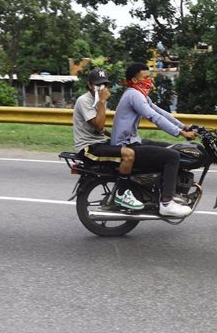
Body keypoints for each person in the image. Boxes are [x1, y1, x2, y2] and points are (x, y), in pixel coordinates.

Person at [111, 62, 197, 217]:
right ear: (135, 80)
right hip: (126, 145)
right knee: (172, 157)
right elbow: (153, 117)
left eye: (149, 76)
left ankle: (159, 188)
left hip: (133, 141)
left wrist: (183, 127)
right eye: (146, 77)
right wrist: (180, 133)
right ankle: (167, 202)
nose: (149, 80)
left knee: (172, 148)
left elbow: (160, 111)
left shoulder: (139, 94)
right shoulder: (134, 95)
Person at [73, 68, 144, 210]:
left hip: (99, 143)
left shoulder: (99, 100)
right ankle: (122, 194)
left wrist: (113, 136)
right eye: (97, 85)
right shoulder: (85, 100)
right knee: (128, 155)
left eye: (104, 84)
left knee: (136, 148)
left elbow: (99, 129)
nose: (101, 88)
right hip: (88, 147)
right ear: (89, 85)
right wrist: (102, 101)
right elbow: (98, 124)